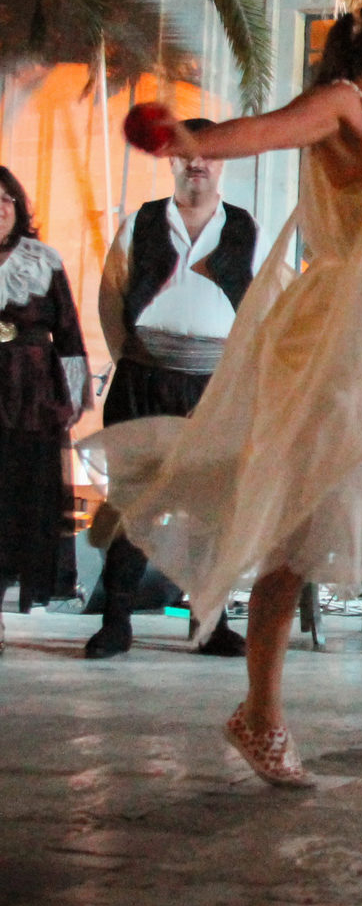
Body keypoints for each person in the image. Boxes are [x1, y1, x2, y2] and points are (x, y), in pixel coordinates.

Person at [90, 0, 362, 786]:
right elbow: (260, 133)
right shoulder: (344, 106)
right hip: (338, 333)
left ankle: (162, 498)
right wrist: (184, 137)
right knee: (298, 515)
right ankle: (258, 710)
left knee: (308, 515)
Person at [86, 118, 271, 660]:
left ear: (221, 163)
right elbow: (110, 301)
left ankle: (208, 624)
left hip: (216, 387)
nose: (198, 164)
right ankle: (116, 621)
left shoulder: (247, 229)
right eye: (187, 155)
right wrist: (138, 358)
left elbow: (266, 307)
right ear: (171, 161)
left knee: (212, 508)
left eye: (208, 154)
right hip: (142, 382)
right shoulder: (140, 224)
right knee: (133, 501)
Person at [0, 168, 90, 650]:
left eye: (6, 199)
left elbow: (70, 334)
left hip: (33, 398)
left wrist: (72, 397)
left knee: (22, 500)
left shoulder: (43, 260)